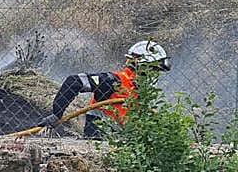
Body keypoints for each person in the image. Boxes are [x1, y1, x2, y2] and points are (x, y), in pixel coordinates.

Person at [39, 40, 171, 138]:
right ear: (141, 66)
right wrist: (57, 113)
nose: (155, 74)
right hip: (99, 141)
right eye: (153, 69)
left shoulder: (142, 95)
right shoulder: (113, 81)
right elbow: (74, 81)